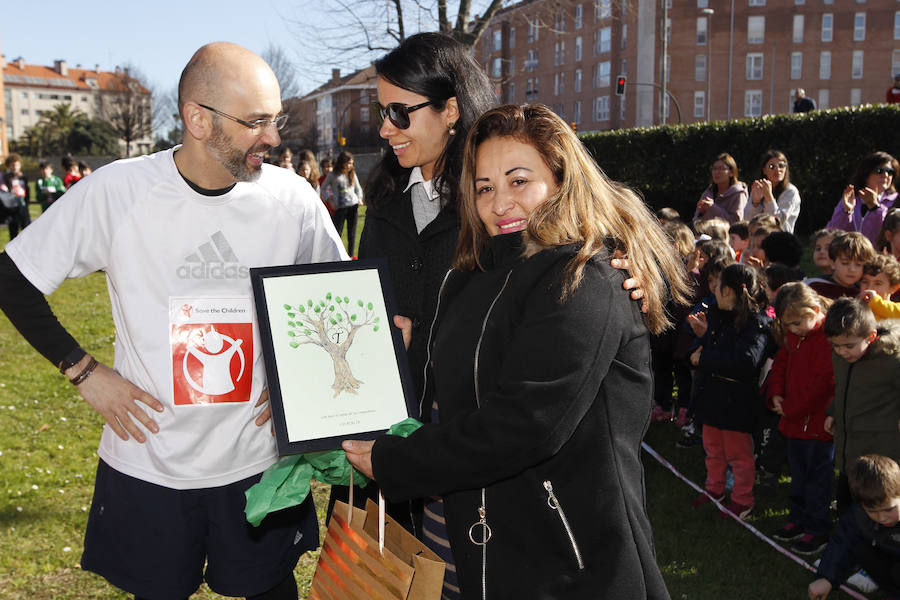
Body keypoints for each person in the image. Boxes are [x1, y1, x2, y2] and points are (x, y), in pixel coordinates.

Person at [0, 42, 347, 600]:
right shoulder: (118, 191)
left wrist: (298, 378)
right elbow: (12, 278)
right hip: (150, 464)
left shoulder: (293, 199)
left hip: (257, 462)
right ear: (197, 119)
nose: (274, 138)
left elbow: (333, 296)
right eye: (256, 121)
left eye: (274, 119)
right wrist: (85, 371)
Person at [343, 103, 688, 599]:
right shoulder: (472, 274)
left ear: (562, 180)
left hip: (558, 566)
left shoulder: (586, 279)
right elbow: (461, 392)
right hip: (462, 552)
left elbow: (525, 423)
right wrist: (403, 354)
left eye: (519, 180)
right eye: (484, 188)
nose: (500, 203)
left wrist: (397, 463)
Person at [689, 263, 773, 520]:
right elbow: (718, 346)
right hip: (713, 397)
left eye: (718, 288)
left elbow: (745, 362)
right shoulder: (719, 315)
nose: (714, 292)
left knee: (739, 455)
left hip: (737, 403)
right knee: (713, 448)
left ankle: (742, 500)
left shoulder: (757, 325)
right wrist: (704, 337)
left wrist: (703, 359)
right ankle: (714, 489)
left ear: (728, 290)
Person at [767, 283, 834, 555]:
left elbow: (822, 386)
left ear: (816, 311)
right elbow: (780, 364)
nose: (793, 329)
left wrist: (791, 408)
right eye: (787, 325)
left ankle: (818, 528)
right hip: (794, 423)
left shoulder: (828, 339)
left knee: (818, 481)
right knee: (798, 475)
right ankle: (798, 518)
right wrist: (775, 394)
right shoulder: (794, 337)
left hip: (819, 428)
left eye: (796, 323)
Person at [824, 298, 900, 515]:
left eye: (848, 346)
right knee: (849, 493)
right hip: (851, 439)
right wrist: (833, 411)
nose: (842, 351)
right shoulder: (842, 357)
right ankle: (849, 533)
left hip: (881, 444)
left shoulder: (891, 358)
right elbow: (844, 388)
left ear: (871, 337)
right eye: (835, 345)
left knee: (877, 498)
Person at [809, 455, 900, 600]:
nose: (882, 518)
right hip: (888, 557)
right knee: (860, 549)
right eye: (872, 511)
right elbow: (842, 543)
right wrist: (827, 578)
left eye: (889, 510)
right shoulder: (858, 514)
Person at [827, 151, 899, 246]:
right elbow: (832, 232)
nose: (885, 175)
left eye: (890, 172)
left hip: (881, 259)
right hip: (850, 258)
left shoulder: (896, 201)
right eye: (879, 170)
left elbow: (889, 233)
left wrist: (875, 208)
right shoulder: (851, 198)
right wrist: (847, 211)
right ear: (866, 174)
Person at [746, 150, 801, 233]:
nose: (777, 169)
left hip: (780, 239)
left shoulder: (791, 192)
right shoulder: (758, 187)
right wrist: (755, 204)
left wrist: (769, 197)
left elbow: (779, 221)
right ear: (764, 170)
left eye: (781, 166)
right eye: (772, 166)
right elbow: (747, 220)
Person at [809, 232, 875, 300]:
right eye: (845, 263)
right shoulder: (815, 288)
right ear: (833, 263)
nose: (852, 269)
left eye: (858, 264)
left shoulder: (863, 292)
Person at [321, 151, 363, 256]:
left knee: (351, 234)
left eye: (352, 163)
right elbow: (323, 189)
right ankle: (336, 255)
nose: (350, 166)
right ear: (342, 162)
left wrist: (359, 198)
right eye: (348, 163)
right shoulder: (333, 175)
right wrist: (330, 200)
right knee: (337, 233)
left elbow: (358, 188)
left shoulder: (352, 173)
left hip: (353, 206)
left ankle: (351, 256)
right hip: (340, 208)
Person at [694, 153, 748, 225]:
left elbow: (737, 222)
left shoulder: (738, 193)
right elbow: (695, 220)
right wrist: (702, 212)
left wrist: (713, 208)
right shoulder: (708, 193)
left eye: (721, 169)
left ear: (731, 173)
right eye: (714, 169)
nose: (716, 172)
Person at [860, 254, 900, 319]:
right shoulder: (857, 309)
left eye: (878, 283)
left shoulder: (896, 310)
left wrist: (876, 302)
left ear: (893, 288)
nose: (869, 288)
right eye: (865, 282)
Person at [3, 153, 31, 239]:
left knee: (26, 229)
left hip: (22, 206)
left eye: (17, 165)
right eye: (13, 165)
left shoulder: (23, 177)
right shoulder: (6, 177)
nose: (15, 167)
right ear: (8, 166)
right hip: (12, 208)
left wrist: (26, 203)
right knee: (13, 231)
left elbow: (27, 191)